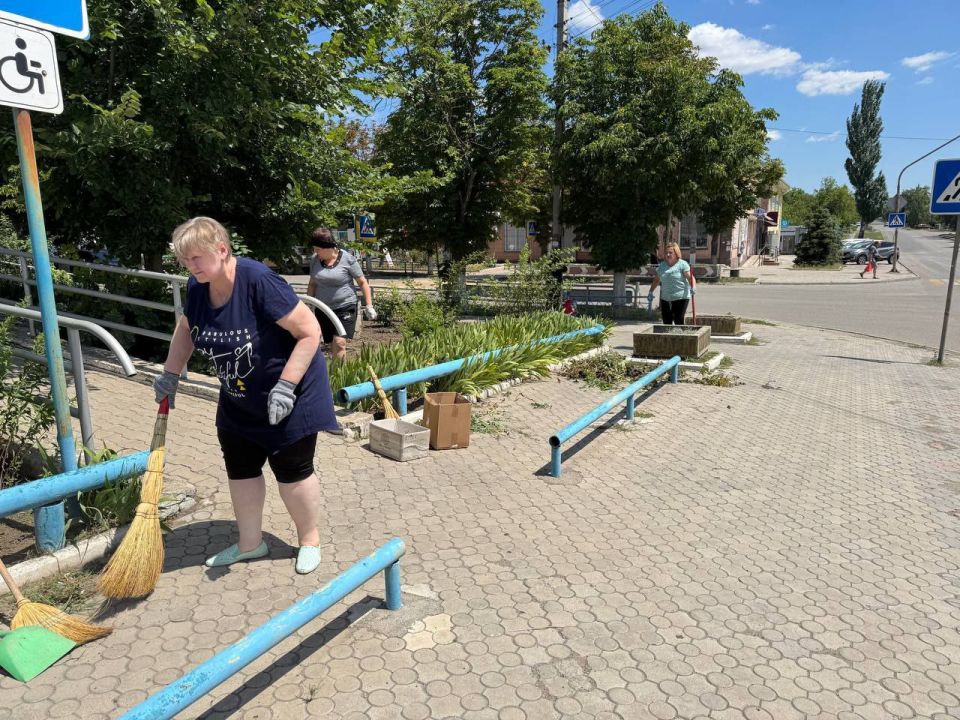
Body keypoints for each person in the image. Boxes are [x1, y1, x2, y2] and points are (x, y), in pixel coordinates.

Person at [152, 217, 338, 575]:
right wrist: (170, 374)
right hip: (239, 399)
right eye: (184, 260)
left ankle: (309, 539)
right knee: (241, 471)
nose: (190, 267)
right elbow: (186, 331)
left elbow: (310, 332)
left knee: (292, 473)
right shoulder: (198, 287)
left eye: (196, 258)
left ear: (221, 250)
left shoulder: (257, 281)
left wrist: (286, 386)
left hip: (291, 395)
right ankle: (250, 544)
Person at [305, 228, 377, 361]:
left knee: (339, 342)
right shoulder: (315, 260)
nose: (315, 252)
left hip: (345, 306)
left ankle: (341, 374)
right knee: (331, 343)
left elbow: (362, 283)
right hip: (323, 308)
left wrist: (369, 305)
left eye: (318, 249)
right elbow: (312, 284)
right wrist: (309, 305)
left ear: (328, 247)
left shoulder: (348, 259)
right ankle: (335, 373)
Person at [647, 242, 695, 325]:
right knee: (666, 322)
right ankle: (668, 337)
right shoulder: (662, 266)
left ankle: (680, 337)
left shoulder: (682, 264)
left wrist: (693, 287)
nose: (668, 255)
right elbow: (656, 280)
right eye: (666, 253)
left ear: (676, 253)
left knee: (678, 320)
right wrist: (651, 291)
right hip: (665, 298)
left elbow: (690, 278)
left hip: (681, 298)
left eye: (670, 253)